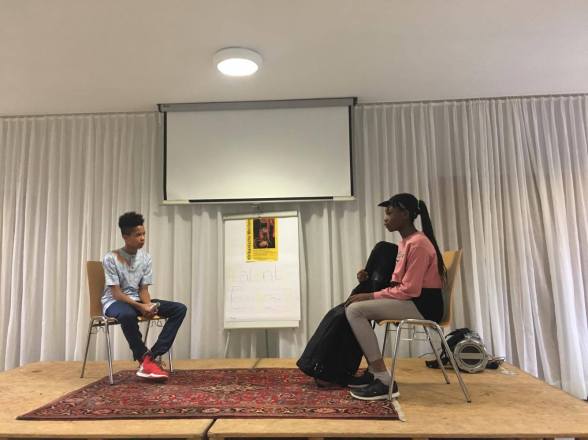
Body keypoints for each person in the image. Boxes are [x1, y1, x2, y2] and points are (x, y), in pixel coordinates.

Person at [345, 193, 446, 400]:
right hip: (413, 300)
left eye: (390, 213)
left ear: (405, 214)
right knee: (357, 307)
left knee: (355, 311)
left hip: (423, 305)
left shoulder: (418, 244)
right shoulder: (405, 243)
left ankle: (383, 379)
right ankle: (374, 372)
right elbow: (398, 282)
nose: (385, 218)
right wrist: (368, 279)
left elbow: (410, 289)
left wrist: (370, 296)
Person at [101, 211, 187, 380]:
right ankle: (143, 358)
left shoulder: (145, 258)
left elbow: (143, 290)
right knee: (127, 314)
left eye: (144, 234)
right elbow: (116, 294)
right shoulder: (111, 258)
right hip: (114, 302)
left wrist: (148, 305)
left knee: (179, 309)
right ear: (125, 237)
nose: (142, 238)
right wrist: (141, 307)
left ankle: (150, 357)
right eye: (137, 235)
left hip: (137, 301)